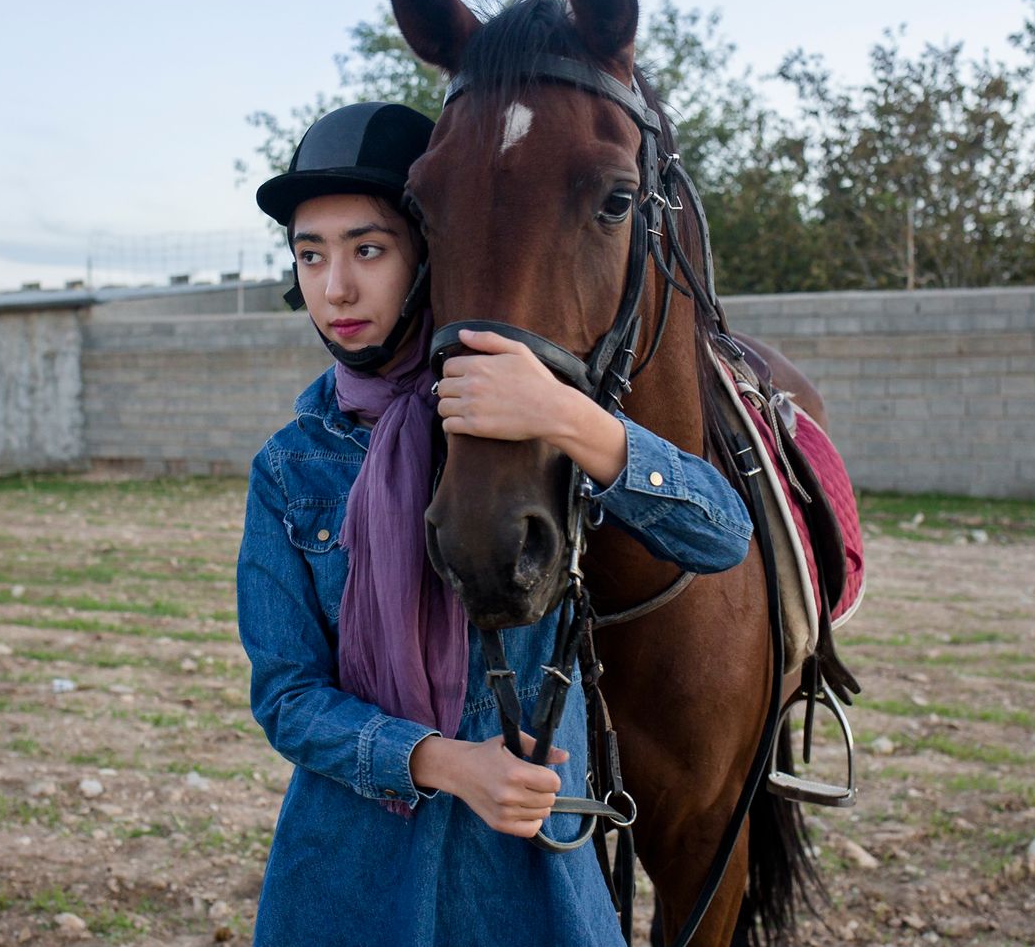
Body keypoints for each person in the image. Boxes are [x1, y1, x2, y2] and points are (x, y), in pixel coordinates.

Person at [236, 101, 753, 946]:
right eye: (311, 254)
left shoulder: (520, 437)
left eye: (368, 249)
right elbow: (287, 696)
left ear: (432, 257)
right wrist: (447, 764)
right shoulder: (292, 467)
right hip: (348, 879)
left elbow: (720, 537)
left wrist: (568, 417)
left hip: (524, 887)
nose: (335, 289)